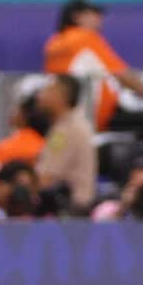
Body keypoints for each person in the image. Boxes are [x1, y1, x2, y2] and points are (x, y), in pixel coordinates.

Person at [43, 0, 143, 130]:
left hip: (62, 117)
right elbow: (122, 74)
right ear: (77, 16)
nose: (100, 18)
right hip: (95, 116)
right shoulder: (85, 37)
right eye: (94, 13)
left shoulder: (54, 43)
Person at [31, 75, 97, 213]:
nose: (39, 96)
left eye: (47, 91)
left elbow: (46, 178)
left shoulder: (66, 131)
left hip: (68, 213)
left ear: (61, 97)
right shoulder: (71, 124)